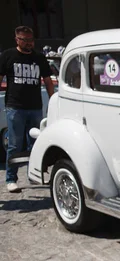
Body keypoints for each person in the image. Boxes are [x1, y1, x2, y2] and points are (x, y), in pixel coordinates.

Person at [0, 26, 54, 193]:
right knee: (14, 144)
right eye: (26, 40)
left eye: (31, 40)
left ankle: (35, 174)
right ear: (17, 39)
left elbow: (48, 80)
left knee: (36, 143)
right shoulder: (8, 56)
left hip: (35, 106)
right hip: (15, 107)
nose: (30, 43)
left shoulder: (39, 58)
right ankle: (11, 179)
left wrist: (52, 101)